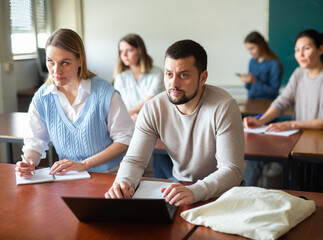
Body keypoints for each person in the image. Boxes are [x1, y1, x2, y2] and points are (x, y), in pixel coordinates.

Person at [105, 39, 245, 206]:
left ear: (203, 77)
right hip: (180, 184)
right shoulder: (152, 108)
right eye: (169, 74)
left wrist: (196, 191)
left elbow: (231, 170)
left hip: (222, 190)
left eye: (183, 75)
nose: (173, 83)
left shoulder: (224, 106)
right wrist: (123, 182)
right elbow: (135, 160)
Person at [15, 28, 135, 178]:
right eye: (50, 62)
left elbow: (126, 139)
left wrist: (85, 164)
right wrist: (29, 162)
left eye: (64, 63)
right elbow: (35, 142)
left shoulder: (104, 93)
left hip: (109, 175)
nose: (56, 70)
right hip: (69, 177)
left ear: (80, 60)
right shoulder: (42, 98)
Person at [243, 29, 323, 186]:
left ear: (320, 49)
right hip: (296, 136)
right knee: (257, 157)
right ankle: (243, 195)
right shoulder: (299, 73)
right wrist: (260, 120)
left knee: (305, 183)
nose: (300, 54)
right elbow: (282, 101)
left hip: (319, 142)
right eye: (297, 50)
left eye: (306, 48)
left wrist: (290, 124)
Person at [113, 33, 164, 122]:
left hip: (152, 120)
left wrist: (125, 114)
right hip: (127, 122)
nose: (124, 55)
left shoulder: (157, 73)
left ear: (140, 51)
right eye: (121, 51)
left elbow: (148, 104)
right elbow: (117, 105)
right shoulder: (120, 77)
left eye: (129, 50)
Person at [239, 31, 283, 99]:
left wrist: (254, 81)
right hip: (251, 102)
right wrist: (247, 80)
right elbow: (248, 87)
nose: (250, 52)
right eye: (248, 49)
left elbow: (274, 91)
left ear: (261, 45)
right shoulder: (252, 61)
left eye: (252, 48)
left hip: (267, 103)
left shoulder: (274, 64)